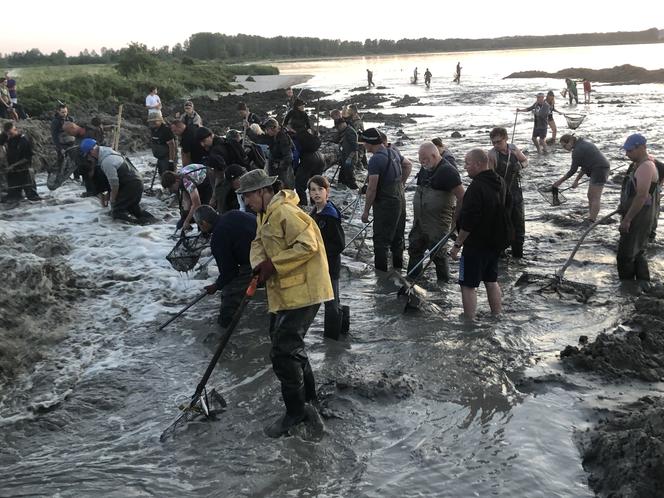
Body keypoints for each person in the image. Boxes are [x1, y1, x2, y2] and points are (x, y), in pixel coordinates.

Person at [236, 169, 333, 438]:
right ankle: (310, 400)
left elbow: (308, 245)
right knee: (288, 344)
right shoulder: (265, 214)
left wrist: (273, 264)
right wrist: (259, 266)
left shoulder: (285, 212)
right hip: (290, 289)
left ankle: (295, 412)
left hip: (306, 288)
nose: (246, 202)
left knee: (282, 350)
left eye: (248, 196)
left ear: (262, 191)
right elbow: (259, 242)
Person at [449, 149, 509, 320]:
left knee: (467, 284)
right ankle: (497, 314)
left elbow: (469, 221)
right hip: (495, 241)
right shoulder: (500, 181)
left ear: (478, 164)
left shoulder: (476, 187)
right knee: (491, 280)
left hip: (476, 244)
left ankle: (469, 320)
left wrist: (457, 245)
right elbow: (508, 207)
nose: (465, 167)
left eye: (467, 163)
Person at [408, 142, 464, 281]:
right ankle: (412, 281)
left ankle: (443, 288)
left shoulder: (448, 171)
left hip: (438, 223)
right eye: (420, 160)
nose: (423, 163)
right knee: (414, 249)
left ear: (434, 155)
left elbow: (462, 197)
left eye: (425, 160)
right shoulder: (425, 168)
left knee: (438, 255)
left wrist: (455, 223)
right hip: (420, 221)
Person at [195, 205, 257, 327]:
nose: (201, 229)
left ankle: (226, 326)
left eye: (199, 225)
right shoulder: (233, 213)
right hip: (272, 247)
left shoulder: (218, 238)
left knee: (229, 293)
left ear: (204, 223)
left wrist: (216, 286)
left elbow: (230, 272)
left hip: (258, 260)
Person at [360, 128, 409, 272]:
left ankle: (381, 277)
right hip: (400, 198)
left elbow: (372, 189)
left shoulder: (375, 159)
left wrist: (366, 211)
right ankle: (398, 270)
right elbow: (407, 165)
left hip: (386, 203)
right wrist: (402, 183)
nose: (364, 145)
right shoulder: (393, 151)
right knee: (398, 237)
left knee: (381, 241)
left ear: (370, 143)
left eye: (364, 143)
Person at [308, 175, 348, 339]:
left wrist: (321, 251)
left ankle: (332, 339)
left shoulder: (330, 216)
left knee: (331, 301)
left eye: (320, 189)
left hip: (330, 265)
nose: (316, 193)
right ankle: (343, 330)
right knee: (330, 299)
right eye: (313, 190)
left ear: (327, 192)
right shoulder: (315, 213)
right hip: (319, 264)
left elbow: (339, 244)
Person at [617, 134, 659, 281]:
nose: (627, 154)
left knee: (625, 256)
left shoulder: (646, 167)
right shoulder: (640, 164)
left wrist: (627, 220)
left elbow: (641, 196)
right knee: (638, 252)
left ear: (641, 148)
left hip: (639, 216)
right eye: (626, 151)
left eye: (630, 151)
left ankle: (627, 289)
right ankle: (642, 286)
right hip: (637, 214)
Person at [80, 139, 153, 223]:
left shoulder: (107, 161)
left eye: (88, 156)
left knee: (117, 213)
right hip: (136, 181)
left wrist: (113, 199)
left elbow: (114, 184)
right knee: (133, 208)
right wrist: (108, 195)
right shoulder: (107, 151)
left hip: (131, 184)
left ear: (92, 152)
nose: (89, 159)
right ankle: (154, 222)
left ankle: (139, 225)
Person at [488, 127, 528, 258]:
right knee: (503, 224)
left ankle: (518, 254)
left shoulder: (513, 149)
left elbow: (525, 161)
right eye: (493, 142)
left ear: (506, 139)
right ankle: (501, 253)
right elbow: (489, 176)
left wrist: (520, 166)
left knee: (519, 223)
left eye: (498, 142)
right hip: (501, 194)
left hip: (516, 192)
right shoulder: (492, 155)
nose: (496, 145)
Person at [552, 134, 610, 222]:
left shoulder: (577, 151)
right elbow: (585, 167)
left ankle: (592, 220)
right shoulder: (582, 144)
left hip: (600, 169)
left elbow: (573, 170)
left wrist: (559, 182)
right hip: (599, 168)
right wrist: (576, 181)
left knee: (595, 196)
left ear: (570, 142)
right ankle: (591, 217)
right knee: (590, 195)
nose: (564, 148)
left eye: (564, 146)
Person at [161, 164, 212, 235]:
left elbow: (197, 204)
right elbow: (187, 201)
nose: (171, 190)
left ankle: (206, 234)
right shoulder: (180, 180)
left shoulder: (186, 181)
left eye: (171, 187)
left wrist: (187, 221)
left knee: (202, 211)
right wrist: (184, 218)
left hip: (209, 178)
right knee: (190, 214)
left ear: (176, 181)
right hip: (198, 180)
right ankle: (201, 233)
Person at [246, 118, 294, 189]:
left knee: (283, 189)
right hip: (274, 168)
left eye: (267, 129)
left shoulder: (283, 138)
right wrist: (248, 129)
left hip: (282, 171)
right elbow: (258, 139)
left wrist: (279, 164)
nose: (266, 131)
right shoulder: (271, 137)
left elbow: (288, 157)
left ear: (273, 128)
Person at [0, 122, 40, 202]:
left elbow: (27, 158)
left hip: (25, 170)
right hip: (12, 171)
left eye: (10, 134)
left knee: (32, 197)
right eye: (7, 134)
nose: (8, 137)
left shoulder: (23, 140)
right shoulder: (6, 136)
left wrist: (13, 166)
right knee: (12, 197)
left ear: (15, 130)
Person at [292, 127, 325, 207]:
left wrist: (294, 168)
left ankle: (303, 205)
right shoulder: (308, 136)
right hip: (320, 158)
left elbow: (295, 155)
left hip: (308, 160)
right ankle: (316, 204)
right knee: (316, 184)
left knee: (299, 185)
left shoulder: (296, 138)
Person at [334, 118, 359, 189]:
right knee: (343, 173)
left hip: (350, 156)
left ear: (342, 124)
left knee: (349, 174)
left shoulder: (350, 131)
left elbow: (355, 146)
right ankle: (342, 186)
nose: (337, 129)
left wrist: (350, 158)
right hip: (345, 155)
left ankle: (354, 188)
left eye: (338, 127)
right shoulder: (344, 131)